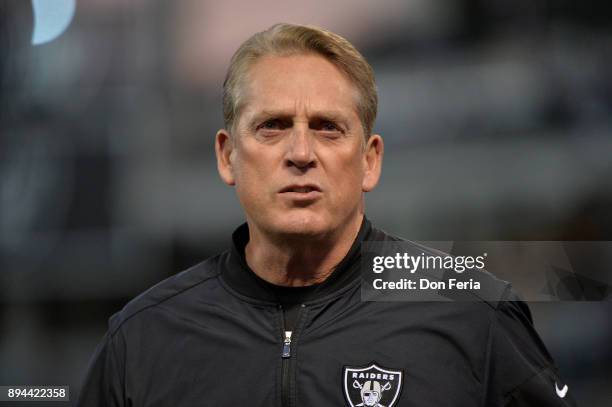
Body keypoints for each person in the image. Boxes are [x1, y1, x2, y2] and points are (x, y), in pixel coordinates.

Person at [77, 23, 577, 406]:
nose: (300, 152)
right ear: (228, 156)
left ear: (369, 160)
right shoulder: (143, 339)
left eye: (328, 128)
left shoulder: (474, 316)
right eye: (272, 126)